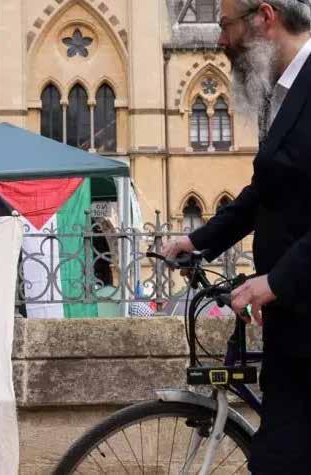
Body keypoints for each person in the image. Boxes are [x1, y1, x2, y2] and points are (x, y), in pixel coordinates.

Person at [162, 0, 311, 472]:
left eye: (225, 25)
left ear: (264, 17)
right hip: (292, 325)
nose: (220, 40)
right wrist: (198, 241)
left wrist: (275, 281)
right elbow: (265, 192)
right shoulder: (280, 91)